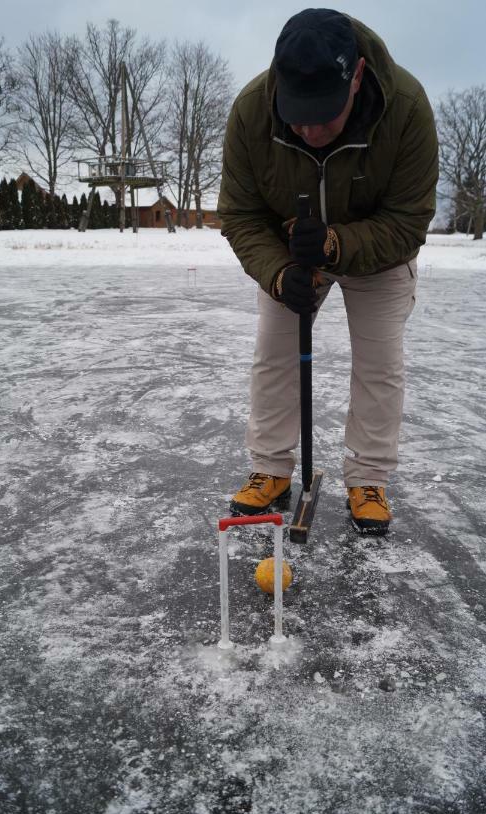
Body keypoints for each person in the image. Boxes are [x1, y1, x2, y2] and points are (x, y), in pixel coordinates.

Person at [218, 8, 438, 534]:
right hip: (289, 248)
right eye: (299, 114)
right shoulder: (251, 111)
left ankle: (368, 477)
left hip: (379, 251)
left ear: (357, 76)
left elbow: (409, 221)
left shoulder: (406, 109)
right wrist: (277, 273)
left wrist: (337, 243)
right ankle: (270, 468)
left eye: (325, 114)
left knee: (380, 362)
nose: (311, 129)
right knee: (274, 353)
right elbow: (241, 214)